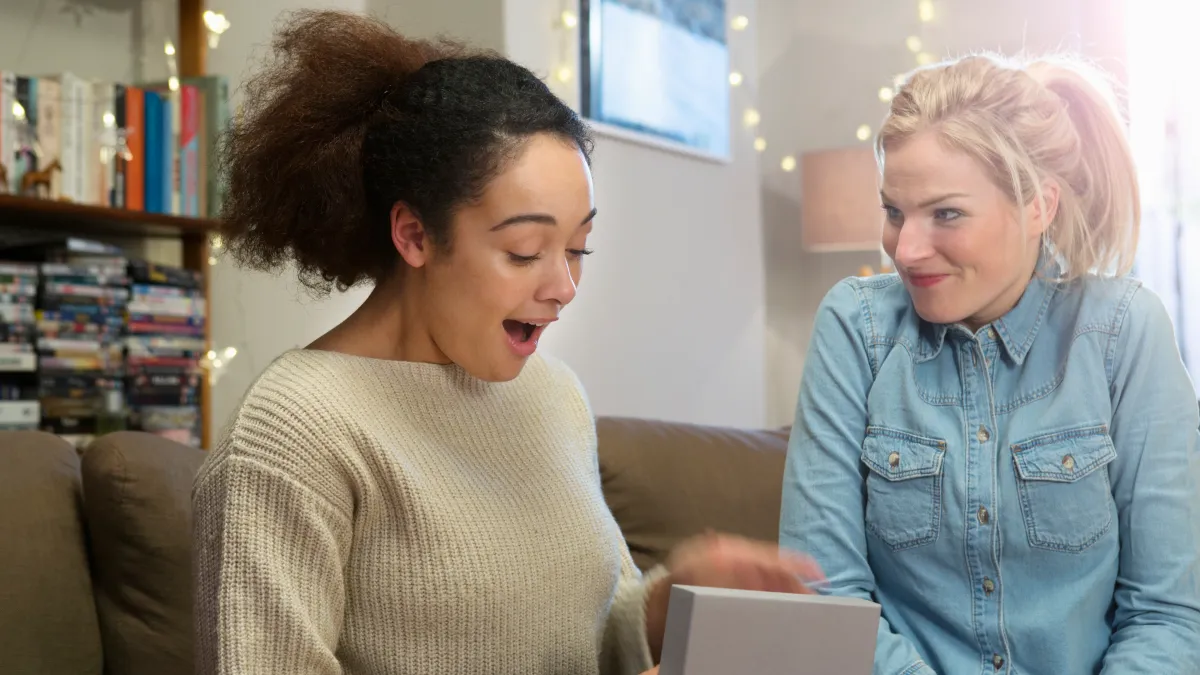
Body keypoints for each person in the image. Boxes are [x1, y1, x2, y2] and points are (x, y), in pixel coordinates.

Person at [193, 9, 820, 675]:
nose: (564, 285)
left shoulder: (553, 395)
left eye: (578, 247)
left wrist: (673, 600)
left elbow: (588, 632)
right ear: (414, 235)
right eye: (524, 250)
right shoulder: (296, 429)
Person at [779, 52, 1200, 675]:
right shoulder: (855, 329)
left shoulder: (1124, 334)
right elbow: (826, 598)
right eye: (894, 212)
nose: (906, 248)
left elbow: (1168, 616)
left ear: (1039, 206)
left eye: (946, 213)